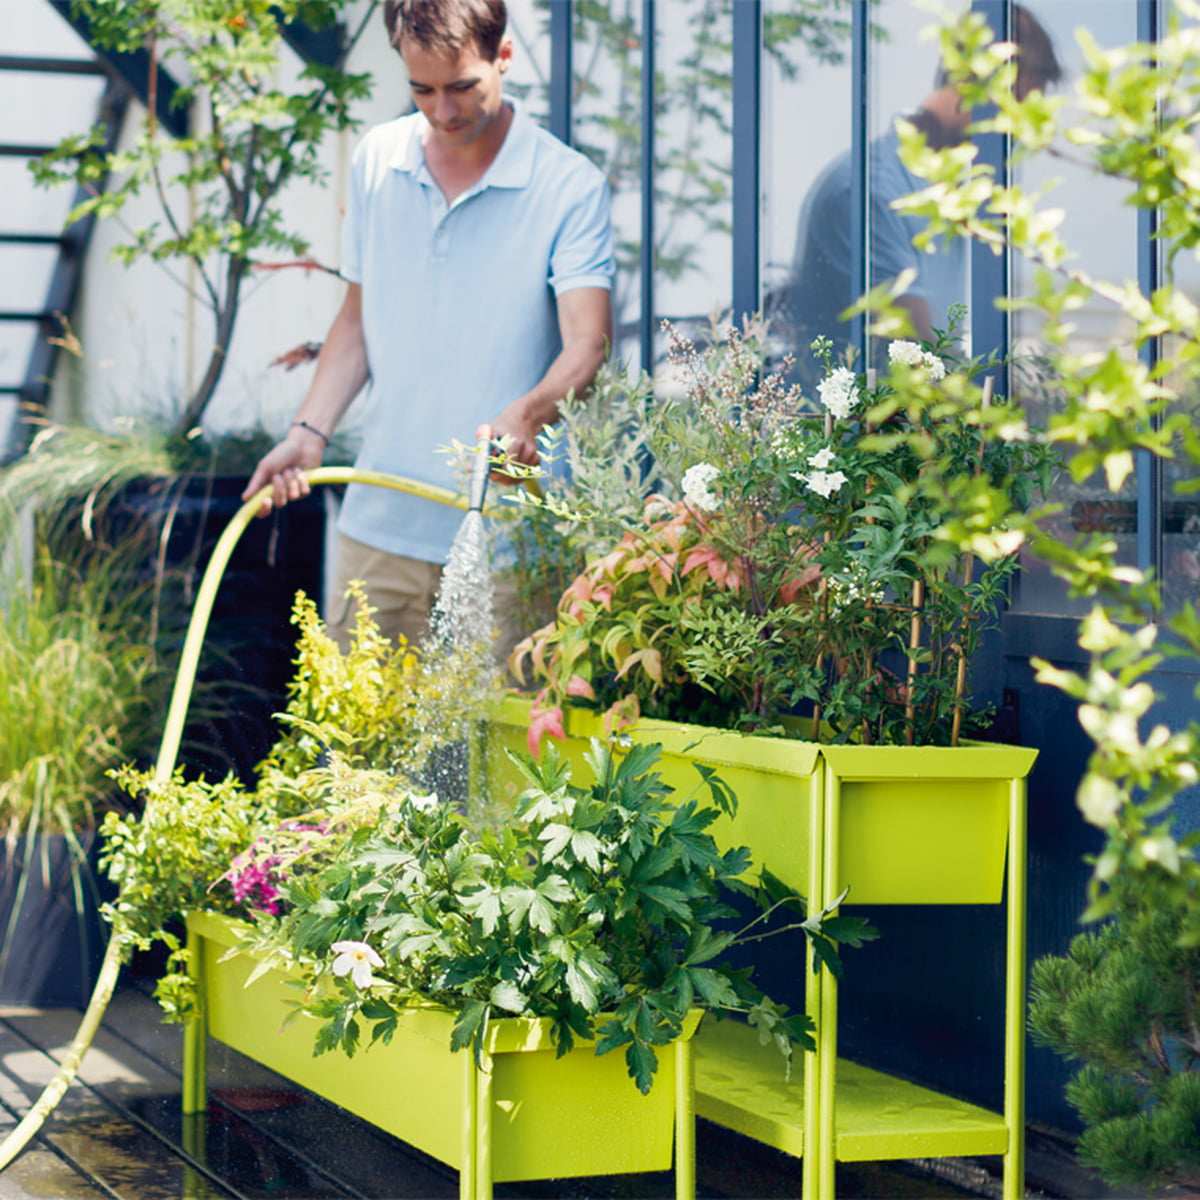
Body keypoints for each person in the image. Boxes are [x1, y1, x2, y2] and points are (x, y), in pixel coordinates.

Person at [243, 0, 614, 651]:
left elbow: (588, 343)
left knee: (500, 722)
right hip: (378, 531)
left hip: (509, 543)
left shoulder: (567, 185)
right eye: (422, 90)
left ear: (503, 56)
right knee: (353, 716)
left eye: (462, 86)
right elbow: (357, 320)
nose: (443, 111)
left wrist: (527, 415)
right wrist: (308, 432)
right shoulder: (377, 160)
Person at [785, 4, 1061, 378]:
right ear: (972, 84)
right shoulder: (871, 192)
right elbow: (921, 358)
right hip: (854, 413)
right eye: (1014, 112)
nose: (1018, 135)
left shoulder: (945, 196)